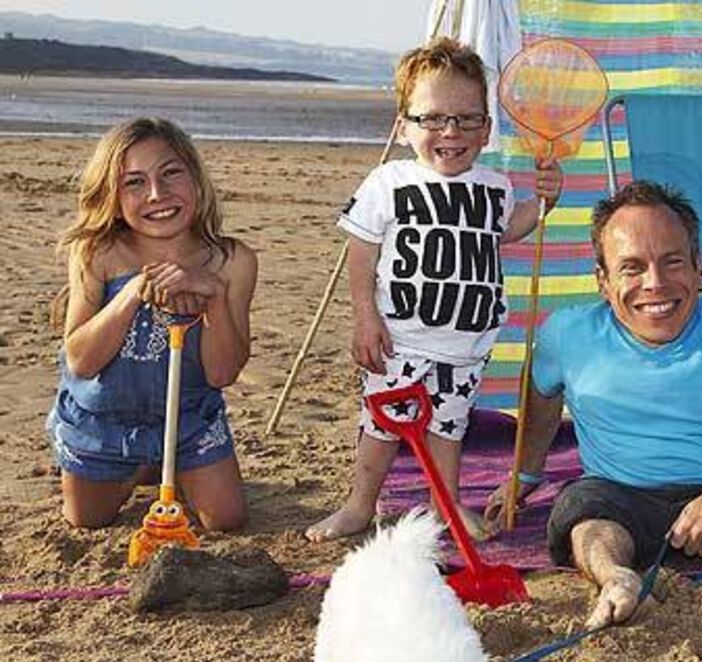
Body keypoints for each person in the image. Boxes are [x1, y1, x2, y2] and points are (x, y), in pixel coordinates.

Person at [484, 180, 702, 629]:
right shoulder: (567, 333)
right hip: (617, 494)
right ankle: (617, 579)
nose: (655, 283)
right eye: (631, 268)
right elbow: (540, 394)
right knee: (580, 510)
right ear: (603, 280)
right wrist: (525, 474)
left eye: (672, 262)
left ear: (698, 266)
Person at [305, 37, 562, 542]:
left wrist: (544, 203)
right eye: (433, 118)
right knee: (381, 425)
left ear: (486, 129)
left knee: (449, 427)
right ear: (404, 126)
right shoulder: (390, 181)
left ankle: (444, 504)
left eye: (467, 119)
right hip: (400, 339)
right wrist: (365, 318)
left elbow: (510, 229)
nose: (451, 131)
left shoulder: (495, 187)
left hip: (466, 343)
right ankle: (360, 504)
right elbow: (362, 251)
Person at [46, 117, 257, 531]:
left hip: (188, 418)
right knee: (87, 520)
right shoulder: (97, 252)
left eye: (171, 173)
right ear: (112, 195)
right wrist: (133, 292)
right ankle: (139, 465)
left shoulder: (232, 261)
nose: (157, 194)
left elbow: (222, 373)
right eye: (134, 182)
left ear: (195, 178)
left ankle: (167, 461)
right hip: (104, 418)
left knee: (227, 519)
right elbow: (81, 361)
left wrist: (214, 297)